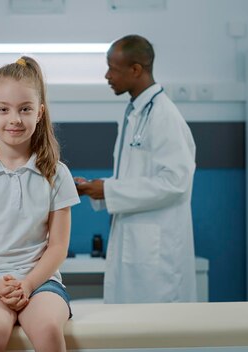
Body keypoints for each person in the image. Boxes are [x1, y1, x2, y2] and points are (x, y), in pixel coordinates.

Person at [0, 56, 80, 351]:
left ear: (40, 112)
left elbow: (58, 246)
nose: (15, 119)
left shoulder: (56, 173)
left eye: (25, 109)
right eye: (3, 109)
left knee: (47, 329)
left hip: (41, 282)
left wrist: (29, 284)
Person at [75, 35, 197, 304]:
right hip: (136, 245)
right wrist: (97, 188)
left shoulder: (165, 116)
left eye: (113, 69)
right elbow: (135, 180)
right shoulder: (135, 113)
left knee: (158, 336)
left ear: (136, 70)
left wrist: (108, 189)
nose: (107, 76)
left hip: (157, 255)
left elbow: (176, 182)